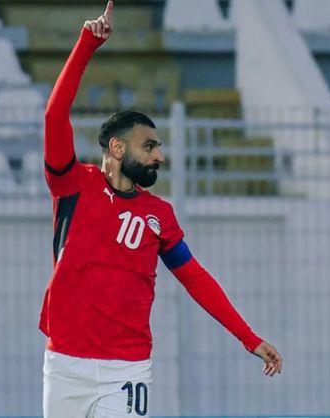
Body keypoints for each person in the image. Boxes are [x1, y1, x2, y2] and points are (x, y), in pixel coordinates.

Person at [39, 2, 283, 417]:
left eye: (159, 147)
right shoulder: (74, 184)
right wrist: (86, 46)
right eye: (149, 146)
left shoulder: (160, 216)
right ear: (117, 148)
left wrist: (249, 338)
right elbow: (54, 115)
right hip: (64, 364)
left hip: (127, 370)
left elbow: (196, 279)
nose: (159, 156)